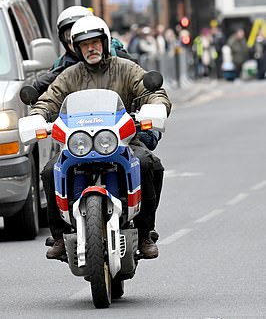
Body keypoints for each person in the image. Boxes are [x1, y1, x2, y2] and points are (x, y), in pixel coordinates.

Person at [30, 15, 172, 260]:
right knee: (49, 170)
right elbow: (48, 99)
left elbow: (152, 91)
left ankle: (146, 231)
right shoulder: (69, 75)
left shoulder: (126, 68)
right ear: (76, 48)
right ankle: (61, 235)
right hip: (78, 144)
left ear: (105, 43)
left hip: (122, 141)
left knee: (149, 164)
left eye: (95, 42)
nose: (90, 48)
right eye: (84, 45)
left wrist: (156, 106)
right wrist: (37, 116)